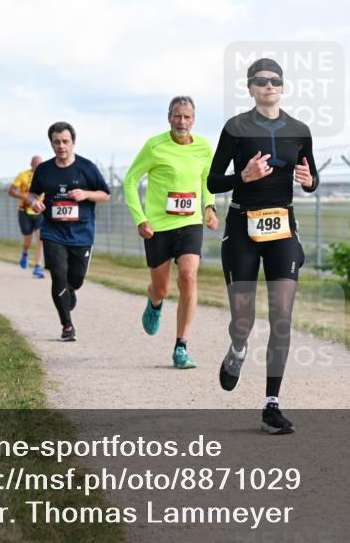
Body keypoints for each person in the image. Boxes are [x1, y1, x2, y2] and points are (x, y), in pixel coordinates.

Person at [208, 58, 319, 435]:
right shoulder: (235, 128)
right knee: (243, 320)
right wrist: (244, 175)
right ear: (250, 88)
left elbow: (312, 175)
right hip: (242, 225)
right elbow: (212, 182)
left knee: (282, 316)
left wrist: (308, 179)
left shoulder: (299, 130)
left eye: (275, 81)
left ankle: (271, 404)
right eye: (261, 81)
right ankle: (237, 350)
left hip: (282, 226)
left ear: (283, 87)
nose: (268, 86)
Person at [124, 95, 217, 370]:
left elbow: (207, 180)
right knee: (162, 288)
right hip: (159, 227)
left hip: (190, 223)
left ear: (194, 119)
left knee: (188, 277)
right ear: (169, 118)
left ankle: (181, 346)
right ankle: (154, 301)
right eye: (177, 116)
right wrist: (140, 218)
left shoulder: (203, 147)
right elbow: (130, 180)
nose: (182, 121)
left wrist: (210, 206)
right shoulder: (155, 146)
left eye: (187, 116)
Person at [27, 122, 111, 341]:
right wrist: (34, 202)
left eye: (65, 141)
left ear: (73, 142)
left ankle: (70, 290)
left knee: (76, 278)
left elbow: (105, 194)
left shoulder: (86, 167)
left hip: (82, 233)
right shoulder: (44, 170)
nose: (61, 146)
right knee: (58, 275)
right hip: (53, 231)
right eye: (57, 142)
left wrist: (85, 194)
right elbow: (32, 194)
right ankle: (67, 325)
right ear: (51, 144)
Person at [8, 156, 46, 278]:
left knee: (41, 238)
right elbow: (11, 191)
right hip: (24, 212)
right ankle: (25, 253)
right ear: (31, 164)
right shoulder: (23, 175)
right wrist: (24, 196)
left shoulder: (47, 177)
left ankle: (38, 267)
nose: (38, 166)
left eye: (40, 164)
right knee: (28, 242)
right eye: (36, 164)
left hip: (39, 212)